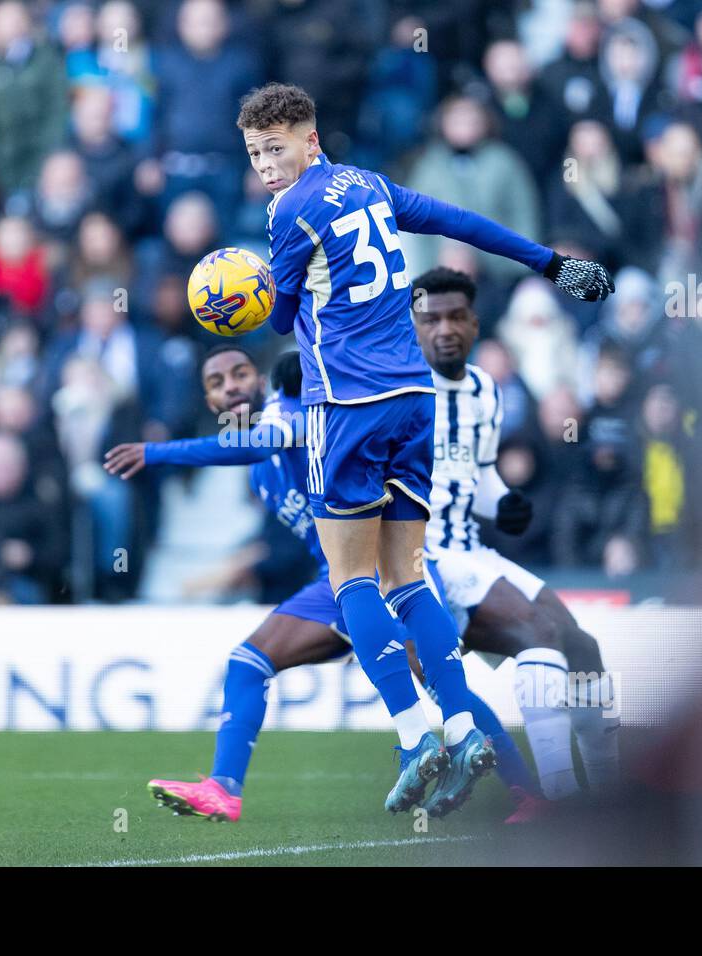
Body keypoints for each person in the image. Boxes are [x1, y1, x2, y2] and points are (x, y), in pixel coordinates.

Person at [237, 82, 612, 812]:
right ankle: (467, 726)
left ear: (310, 141)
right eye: (255, 154)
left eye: (276, 149)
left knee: (354, 586)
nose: (266, 167)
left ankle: (416, 735)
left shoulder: (288, 212)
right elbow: (460, 222)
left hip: (346, 407)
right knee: (407, 578)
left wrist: (242, 295)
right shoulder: (371, 186)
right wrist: (549, 263)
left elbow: (280, 315)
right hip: (413, 402)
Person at [104, 346, 544, 823]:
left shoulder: (293, 411)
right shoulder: (259, 474)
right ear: (208, 400)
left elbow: (259, 441)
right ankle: (223, 789)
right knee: (249, 662)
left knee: (438, 685)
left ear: (262, 380)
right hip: (336, 582)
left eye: (239, 373)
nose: (230, 385)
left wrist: (156, 453)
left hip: (379, 569)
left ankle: (522, 791)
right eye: (216, 382)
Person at [411, 267, 621, 799]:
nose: (444, 328)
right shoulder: (397, 388)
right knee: (537, 635)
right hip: (423, 556)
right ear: (414, 325)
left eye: (455, 316)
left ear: (475, 322)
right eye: (430, 318)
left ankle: (607, 791)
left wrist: (503, 501)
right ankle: (560, 797)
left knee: (581, 645)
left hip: (472, 548)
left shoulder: (484, 388)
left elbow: (479, 475)